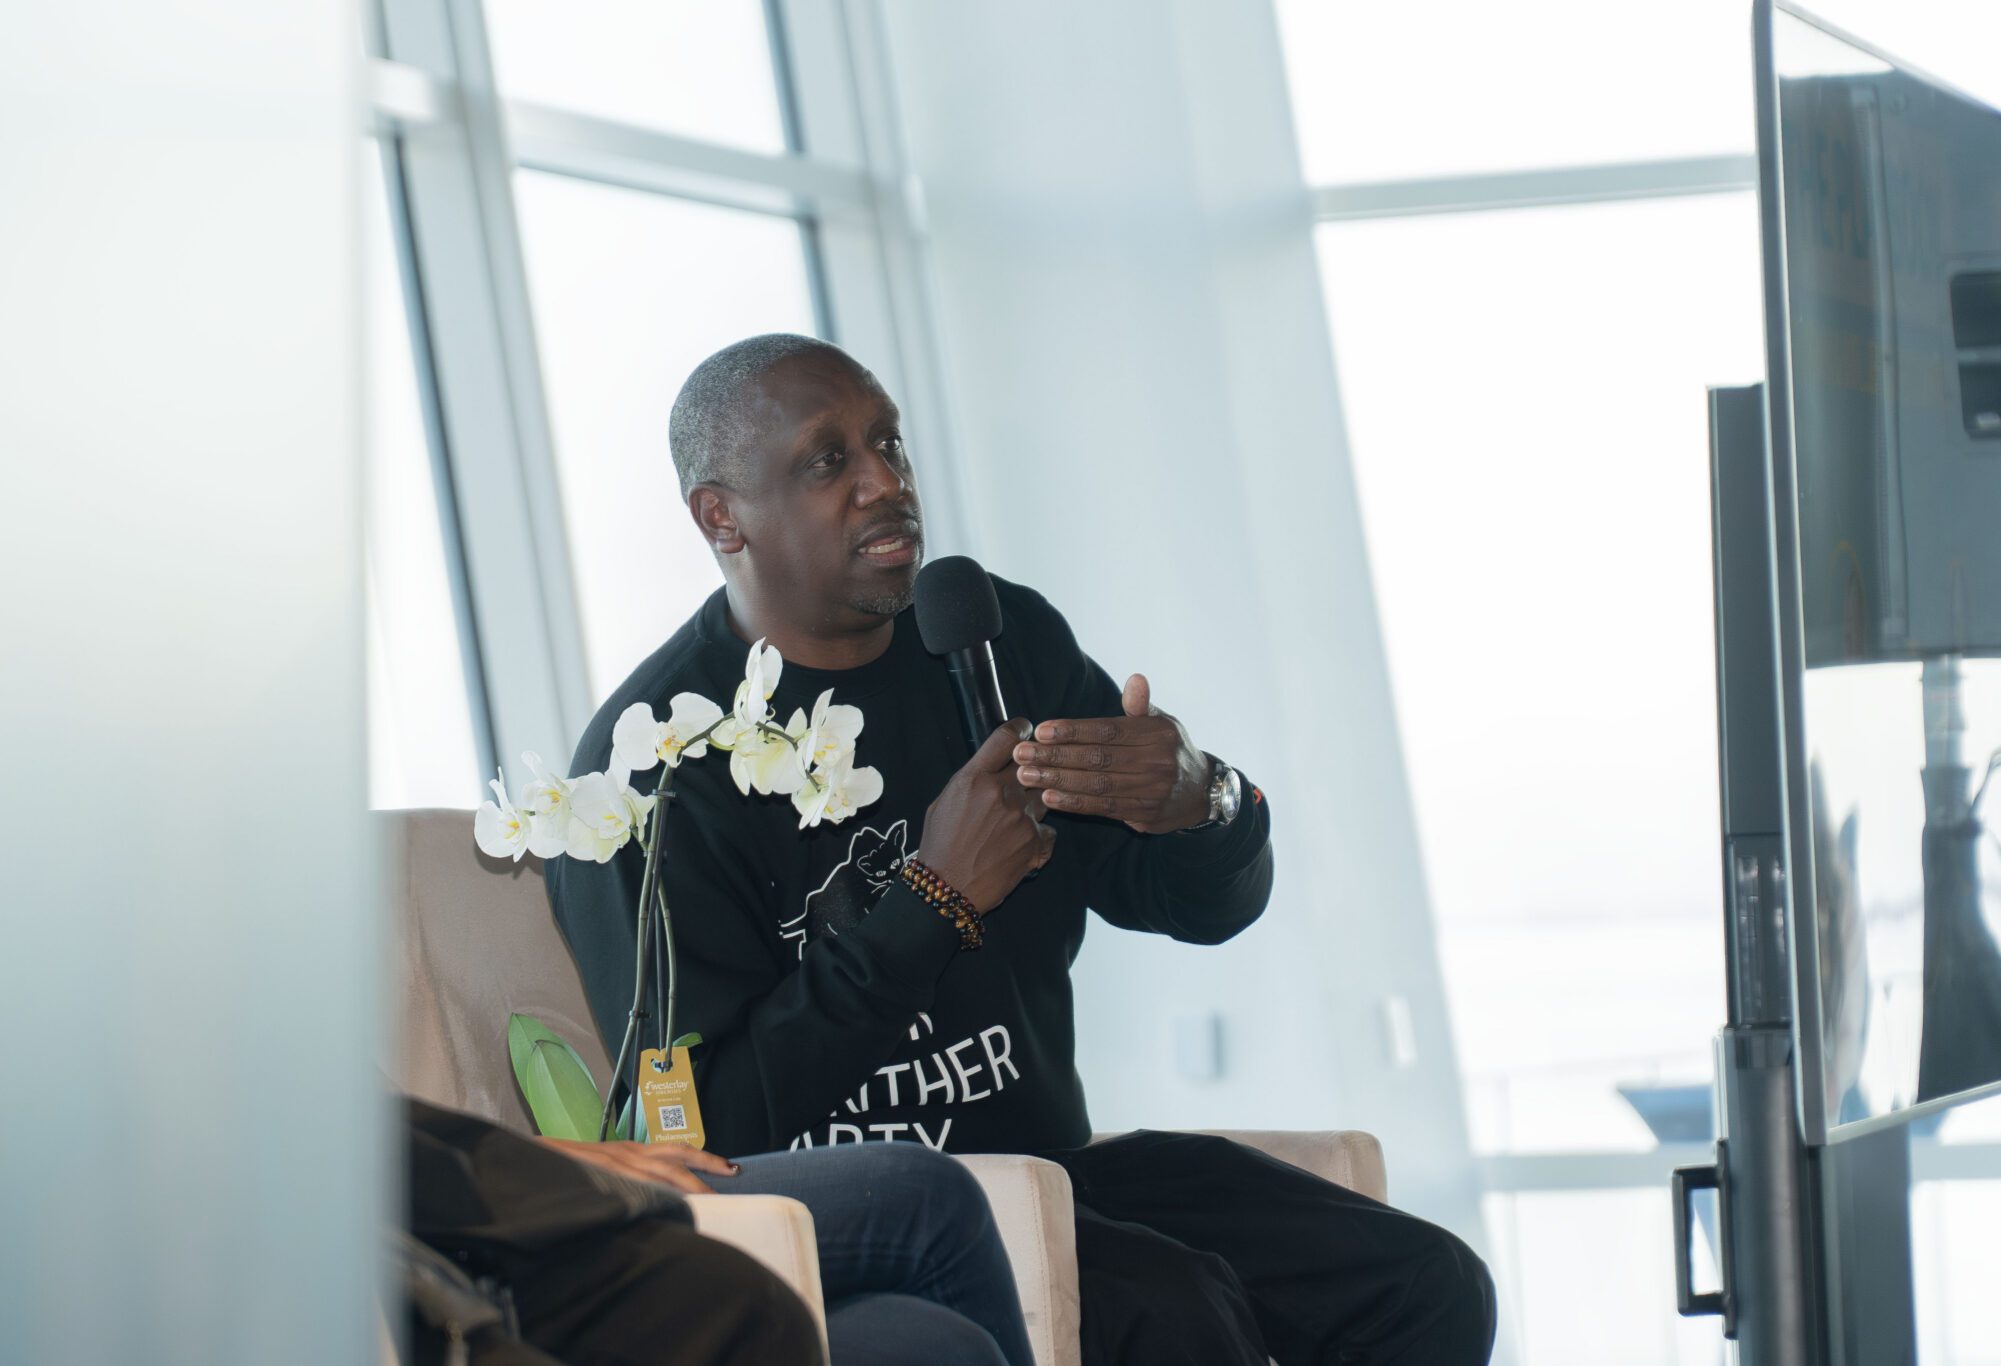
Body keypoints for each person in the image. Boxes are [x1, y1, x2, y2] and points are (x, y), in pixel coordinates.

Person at [548, 333, 1495, 1365]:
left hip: (1053, 1169)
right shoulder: (656, 764)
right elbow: (713, 1122)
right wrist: (931, 899)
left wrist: (1200, 803)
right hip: (859, 1221)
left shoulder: (996, 642)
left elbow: (1201, 906)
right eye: (829, 462)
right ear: (719, 515)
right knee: (1173, 1309)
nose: (884, 483)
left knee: (1425, 1284)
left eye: (889, 445)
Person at [405, 1094, 1034, 1366]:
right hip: (463, 1252)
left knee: (942, 1342)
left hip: (472, 1189)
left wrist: (531, 1150)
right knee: (925, 1205)